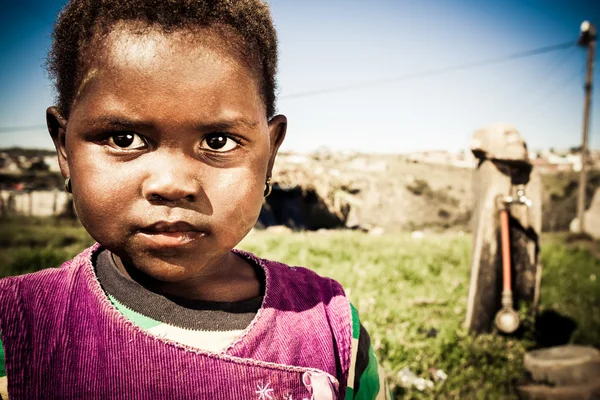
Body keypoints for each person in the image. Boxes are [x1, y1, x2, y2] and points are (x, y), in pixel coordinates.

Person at [0, 1, 390, 399]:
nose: (171, 185)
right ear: (64, 149)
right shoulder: (15, 330)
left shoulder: (328, 325)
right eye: (123, 139)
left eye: (217, 142)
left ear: (269, 154)